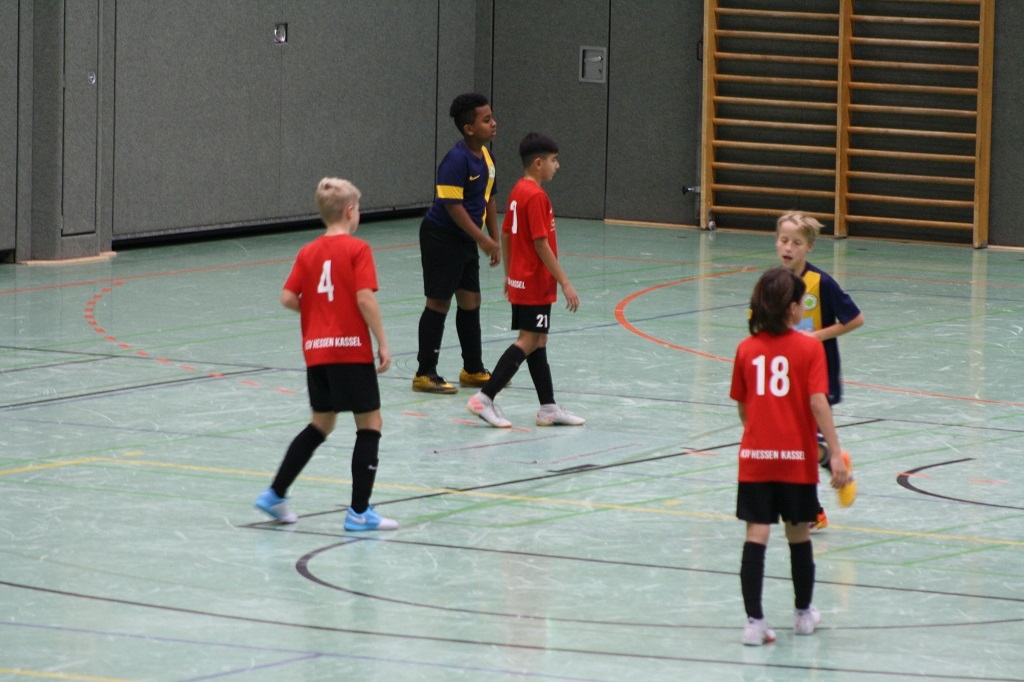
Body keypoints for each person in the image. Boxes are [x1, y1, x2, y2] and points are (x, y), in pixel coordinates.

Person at [255, 178, 397, 532]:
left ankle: (275, 494)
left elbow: (288, 298)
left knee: (321, 423)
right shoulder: (358, 249)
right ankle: (359, 512)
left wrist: (317, 311)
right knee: (370, 424)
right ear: (350, 211)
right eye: (358, 208)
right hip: (350, 351)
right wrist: (382, 342)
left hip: (317, 353)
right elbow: (364, 298)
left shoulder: (308, 251)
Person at [730, 267, 851, 646]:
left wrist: (759, 434)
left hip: (756, 458)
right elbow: (818, 402)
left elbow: (743, 407)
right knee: (798, 534)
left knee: (756, 534)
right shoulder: (809, 348)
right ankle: (802, 615)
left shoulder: (746, 349)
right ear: (793, 308)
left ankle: (754, 623)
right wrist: (834, 453)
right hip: (796, 459)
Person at [466, 132, 584, 428]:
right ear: (538, 163)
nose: (557, 165)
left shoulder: (518, 190)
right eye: (554, 160)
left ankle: (548, 407)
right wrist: (565, 282)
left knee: (538, 340)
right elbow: (541, 244)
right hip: (535, 282)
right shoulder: (537, 196)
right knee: (529, 340)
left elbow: (506, 234)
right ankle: (484, 397)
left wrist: (509, 275)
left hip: (521, 280)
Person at [776, 211, 864, 530]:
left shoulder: (821, 283)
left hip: (817, 374)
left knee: (800, 445)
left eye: (797, 242)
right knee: (796, 444)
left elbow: (855, 319)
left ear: (809, 247)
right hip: (785, 375)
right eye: (784, 240)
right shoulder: (774, 283)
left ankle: (813, 510)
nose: (789, 247)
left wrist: (815, 337)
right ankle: (828, 460)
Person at [412, 92, 501, 395]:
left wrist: (495, 239)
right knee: (439, 302)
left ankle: (472, 369)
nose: (493, 123)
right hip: (441, 237)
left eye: (492, 117)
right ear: (469, 129)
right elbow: (453, 207)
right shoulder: (456, 159)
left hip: (466, 239)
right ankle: (424, 373)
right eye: (486, 120)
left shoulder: (487, 158)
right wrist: (482, 239)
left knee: (471, 300)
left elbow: (489, 199)